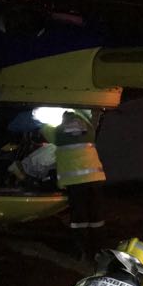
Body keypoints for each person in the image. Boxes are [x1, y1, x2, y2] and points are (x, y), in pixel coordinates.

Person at [53, 108, 107, 257]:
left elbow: (46, 135)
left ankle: (79, 250)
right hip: (95, 179)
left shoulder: (57, 132)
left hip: (75, 181)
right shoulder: (88, 130)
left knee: (79, 218)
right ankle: (98, 250)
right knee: (97, 217)